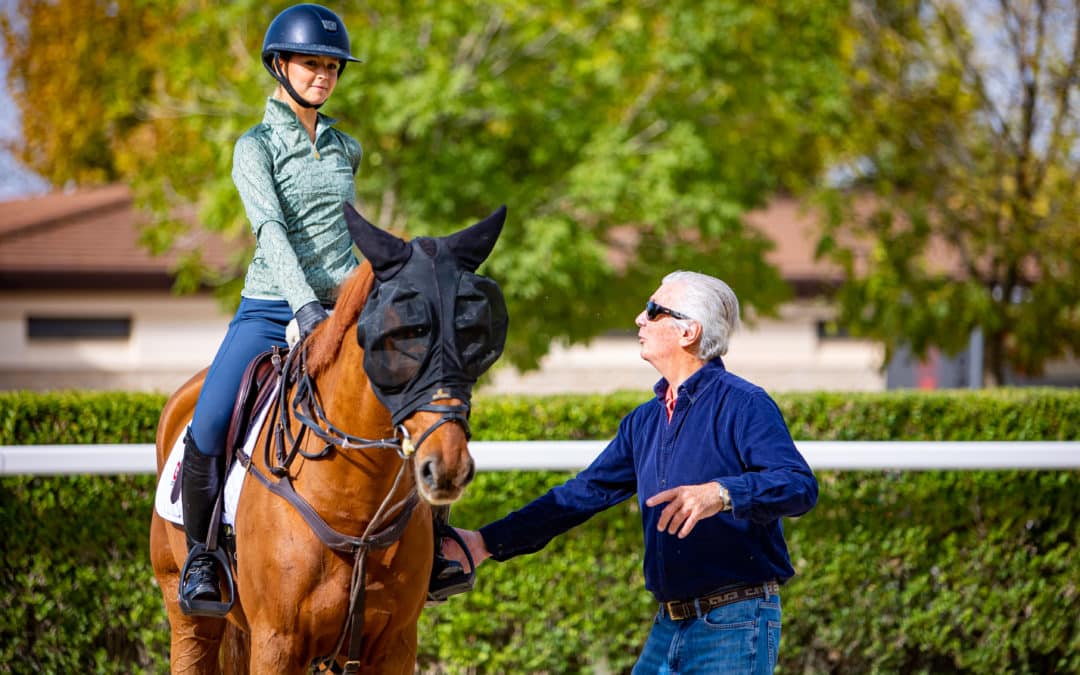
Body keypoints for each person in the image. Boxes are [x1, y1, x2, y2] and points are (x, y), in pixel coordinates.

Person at [179, 3, 466, 613]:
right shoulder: (253, 147)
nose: (323, 75)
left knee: (418, 397)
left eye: (332, 67)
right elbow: (272, 231)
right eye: (311, 64)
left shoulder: (346, 147)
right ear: (279, 66)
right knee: (207, 422)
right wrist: (305, 306)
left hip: (347, 307)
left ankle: (436, 546)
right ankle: (204, 559)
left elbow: (345, 230)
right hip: (269, 305)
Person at [443, 270, 819, 674]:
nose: (640, 318)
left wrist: (720, 493)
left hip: (734, 622)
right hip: (669, 624)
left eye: (654, 310)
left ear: (689, 331)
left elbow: (798, 485)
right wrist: (484, 542)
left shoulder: (745, 404)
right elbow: (580, 495)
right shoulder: (644, 421)